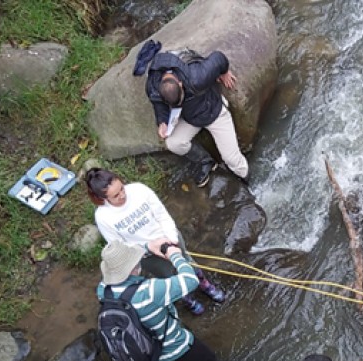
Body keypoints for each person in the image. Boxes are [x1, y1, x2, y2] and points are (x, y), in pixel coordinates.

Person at [86, 167, 225, 315]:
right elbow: (120, 247)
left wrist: (172, 238)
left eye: (121, 188)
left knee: (188, 263)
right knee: (169, 278)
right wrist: (148, 247)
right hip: (147, 255)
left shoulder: (139, 190)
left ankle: (204, 285)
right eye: (115, 195)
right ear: (103, 198)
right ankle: (187, 299)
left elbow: (162, 215)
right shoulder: (103, 217)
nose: (122, 195)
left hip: (169, 238)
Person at [97, 240, 229, 361]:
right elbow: (191, 280)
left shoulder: (103, 290)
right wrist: (176, 256)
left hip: (151, 355)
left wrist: (148, 247)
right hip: (177, 348)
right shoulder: (150, 290)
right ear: (133, 267)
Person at [145, 48, 249, 187]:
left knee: (232, 160)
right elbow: (159, 105)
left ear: (181, 84)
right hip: (189, 118)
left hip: (214, 111)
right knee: (174, 144)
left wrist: (224, 72)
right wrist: (162, 121)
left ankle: (248, 182)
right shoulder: (153, 88)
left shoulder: (197, 76)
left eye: (181, 99)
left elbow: (219, 57)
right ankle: (206, 161)